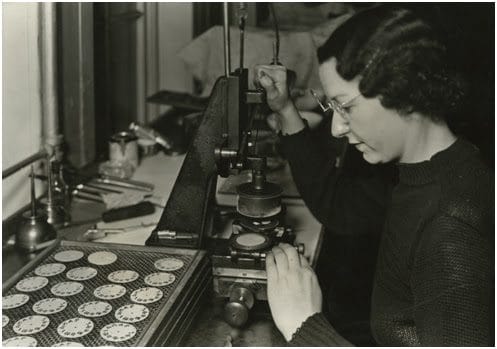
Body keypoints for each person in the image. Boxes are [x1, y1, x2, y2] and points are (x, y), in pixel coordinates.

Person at [255, 5, 494, 346]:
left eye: (346, 107)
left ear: (405, 92)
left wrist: (305, 327)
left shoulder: (452, 227)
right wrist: (287, 111)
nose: (336, 127)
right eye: (331, 108)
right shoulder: (429, 172)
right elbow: (342, 206)